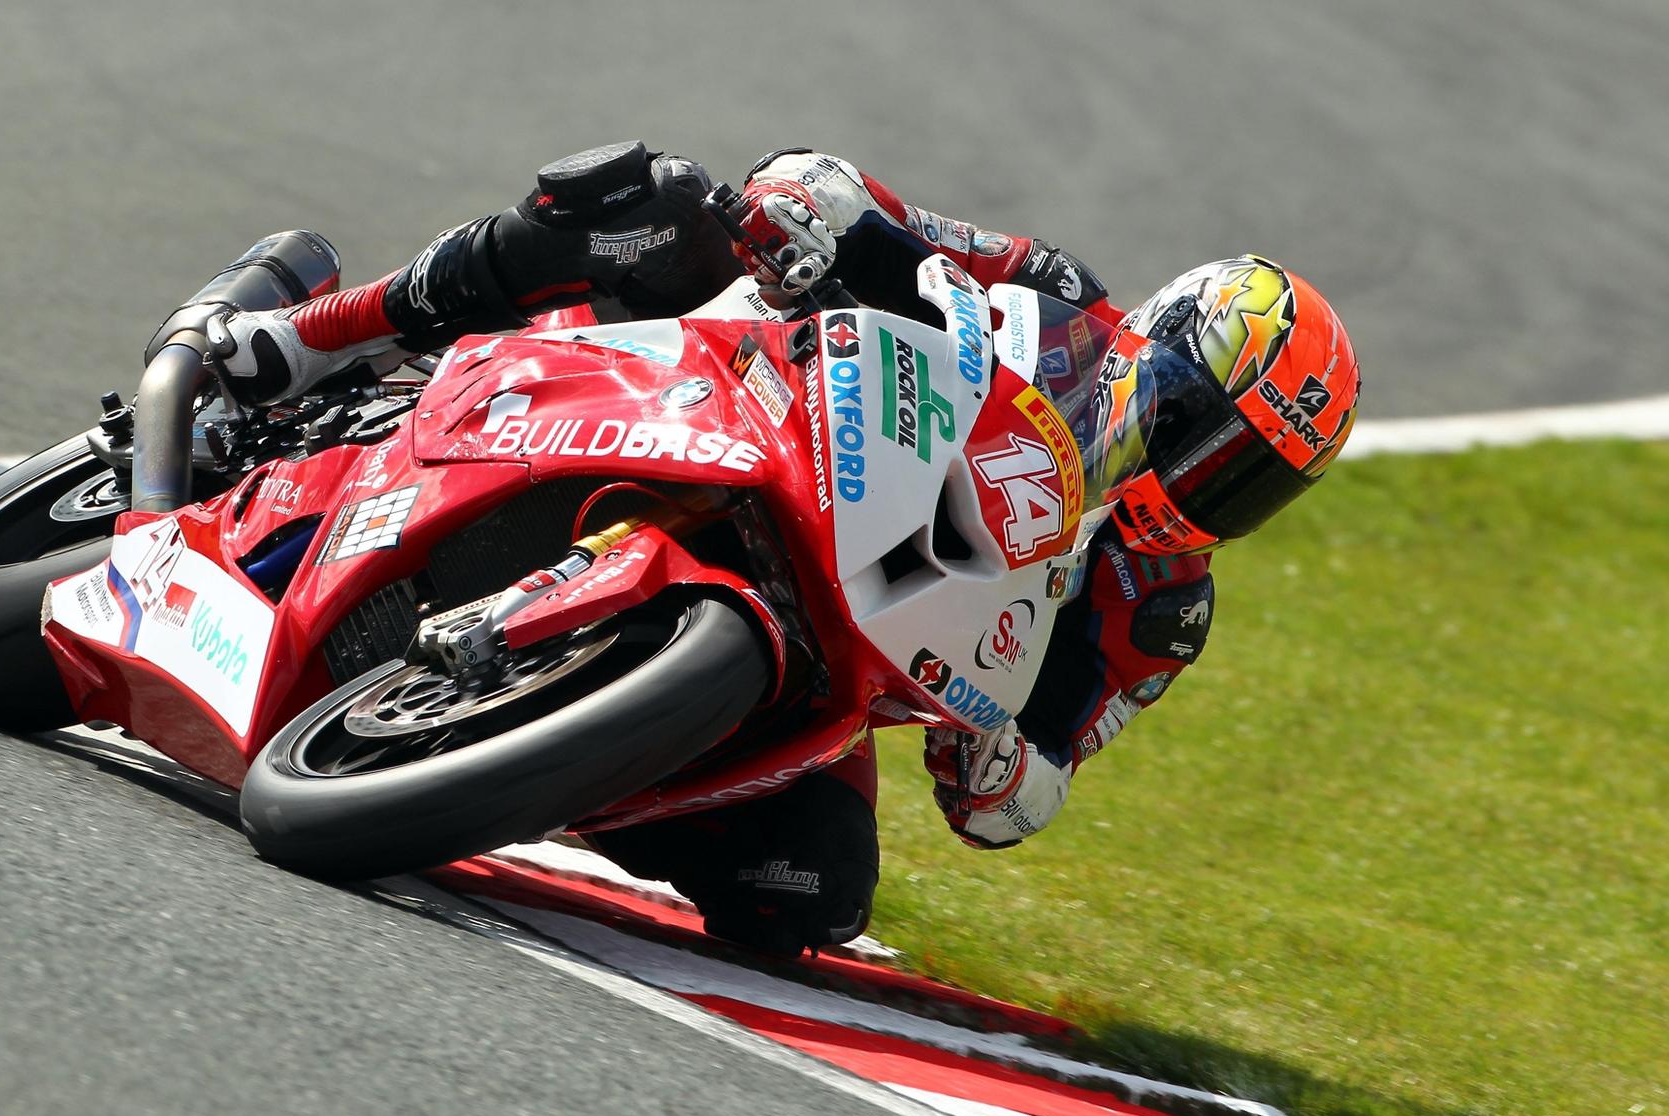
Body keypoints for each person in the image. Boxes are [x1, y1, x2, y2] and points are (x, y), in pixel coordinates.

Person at [214, 141, 1362, 955]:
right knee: (655, 202)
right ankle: (316, 336)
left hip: (833, 639)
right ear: (1159, 350)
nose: (1206, 486)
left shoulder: (1162, 608)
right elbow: (853, 199)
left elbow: (1027, 778)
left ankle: (543, 739)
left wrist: (1012, 771)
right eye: (1208, 437)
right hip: (754, 398)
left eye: (1250, 481)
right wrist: (820, 214)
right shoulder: (1057, 296)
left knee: (808, 892)